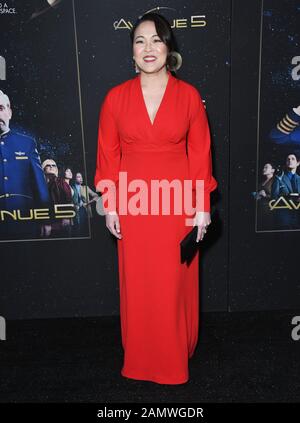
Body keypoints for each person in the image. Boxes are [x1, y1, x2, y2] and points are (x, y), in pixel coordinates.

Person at [94, 12, 218, 385]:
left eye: (156, 40)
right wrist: (110, 205)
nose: (149, 48)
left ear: (169, 47)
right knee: (140, 284)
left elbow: (200, 154)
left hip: (176, 203)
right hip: (134, 206)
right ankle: (142, 357)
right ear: (132, 51)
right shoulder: (115, 98)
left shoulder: (189, 96)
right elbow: (107, 154)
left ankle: (173, 357)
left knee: (172, 285)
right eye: (140, 41)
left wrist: (202, 208)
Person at [0, 90, 50, 239]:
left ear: (9, 112)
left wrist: (46, 219)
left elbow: (39, 185)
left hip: (24, 222)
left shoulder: (27, 143)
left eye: (1, 109)